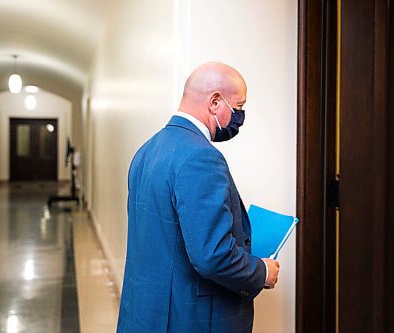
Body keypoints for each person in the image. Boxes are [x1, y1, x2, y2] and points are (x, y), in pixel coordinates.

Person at [117, 62, 280, 333]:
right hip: (189, 318)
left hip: (145, 313)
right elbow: (212, 255)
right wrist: (261, 271)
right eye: (238, 107)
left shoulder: (146, 151)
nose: (240, 116)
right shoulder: (201, 157)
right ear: (215, 102)